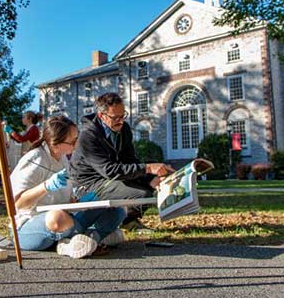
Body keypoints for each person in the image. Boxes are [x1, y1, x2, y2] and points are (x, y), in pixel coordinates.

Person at [9, 115, 126, 259]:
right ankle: (96, 236)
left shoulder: (63, 159)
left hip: (67, 221)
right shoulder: (34, 159)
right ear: (55, 143)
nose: (77, 145)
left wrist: (80, 201)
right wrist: (46, 186)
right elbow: (16, 203)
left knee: (117, 209)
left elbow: (66, 198)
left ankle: (79, 241)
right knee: (57, 217)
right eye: (73, 142)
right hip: (29, 227)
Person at [69, 92, 175, 228]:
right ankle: (117, 222)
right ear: (102, 116)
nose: (120, 121)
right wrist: (148, 168)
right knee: (140, 195)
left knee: (149, 190)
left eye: (123, 116)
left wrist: (149, 179)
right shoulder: (87, 136)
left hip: (109, 178)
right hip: (88, 184)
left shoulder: (124, 129)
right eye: (115, 118)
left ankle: (127, 220)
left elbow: (129, 160)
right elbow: (109, 170)